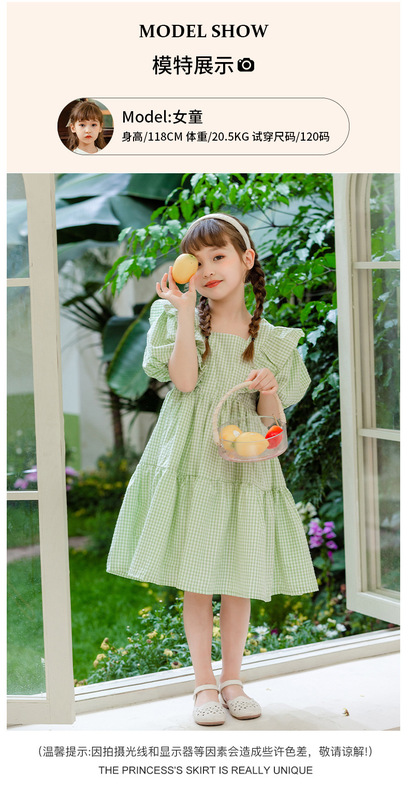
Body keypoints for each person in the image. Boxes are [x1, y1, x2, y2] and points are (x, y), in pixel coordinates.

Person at [107, 212, 318, 726]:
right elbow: (183, 382)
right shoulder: (174, 318)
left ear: (246, 260)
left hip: (244, 466)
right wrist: (183, 313)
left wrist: (269, 391)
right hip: (191, 460)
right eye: (196, 261)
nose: (207, 270)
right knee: (197, 578)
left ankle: (233, 680)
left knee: (239, 576)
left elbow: (273, 427)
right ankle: (204, 684)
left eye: (219, 256)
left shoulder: (273, 341)